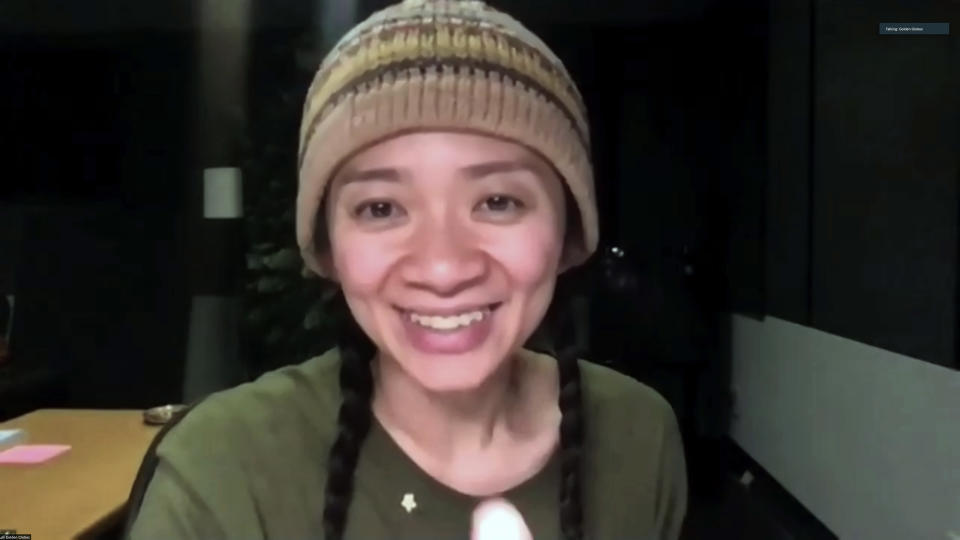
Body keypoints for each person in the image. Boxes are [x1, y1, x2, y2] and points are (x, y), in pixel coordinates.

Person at [126, 0, 687, 538]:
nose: (443, 267)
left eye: (498, 202)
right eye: (381, 208)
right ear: (327, 248)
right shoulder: (222, 470)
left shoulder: (640, 437)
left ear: (568, 232)